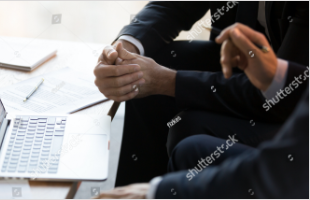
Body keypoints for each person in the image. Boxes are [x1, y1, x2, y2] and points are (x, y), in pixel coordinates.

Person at [93, 1, 309, 185]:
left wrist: (167, 82)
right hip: (241, 64)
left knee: (189, 128)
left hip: (295, 109)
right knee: (141, 72)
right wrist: (124, 49)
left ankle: (162, 192)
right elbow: (174, 7)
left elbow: (286, 93)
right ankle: (133, 194)